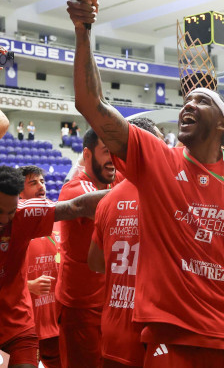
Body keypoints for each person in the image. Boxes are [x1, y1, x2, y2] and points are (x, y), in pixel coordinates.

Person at [67, 0, 224, 367]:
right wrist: (83, 32)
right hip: (170, 336)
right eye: (186, 102)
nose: (189, 105)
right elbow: (90, 104)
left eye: (202, 101)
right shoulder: (156, 160)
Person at [0, 166, 108, 368]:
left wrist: (129, 193)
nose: (4, 219)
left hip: (18, 328)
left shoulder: (25, 215)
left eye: (11, 212)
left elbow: (76, 206)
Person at [87, 117, 164, 368]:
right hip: (157, 331)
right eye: (162, 143)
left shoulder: (108, 200)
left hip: (115, 329)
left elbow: (95, 262)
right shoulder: (171, 193)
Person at [56, 128, 117, 367]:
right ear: (88, 155)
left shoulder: (110, 180)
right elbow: (104, 202)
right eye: (106, 151)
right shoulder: (76, 188)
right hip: (81, 305)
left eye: (115, 152)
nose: (112, 158)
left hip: (108, 301)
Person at [27, 229, 62, 368]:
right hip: (25, 329)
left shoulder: (61, 230)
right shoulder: (14, 232)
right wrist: (29, 285)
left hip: (56, 326)